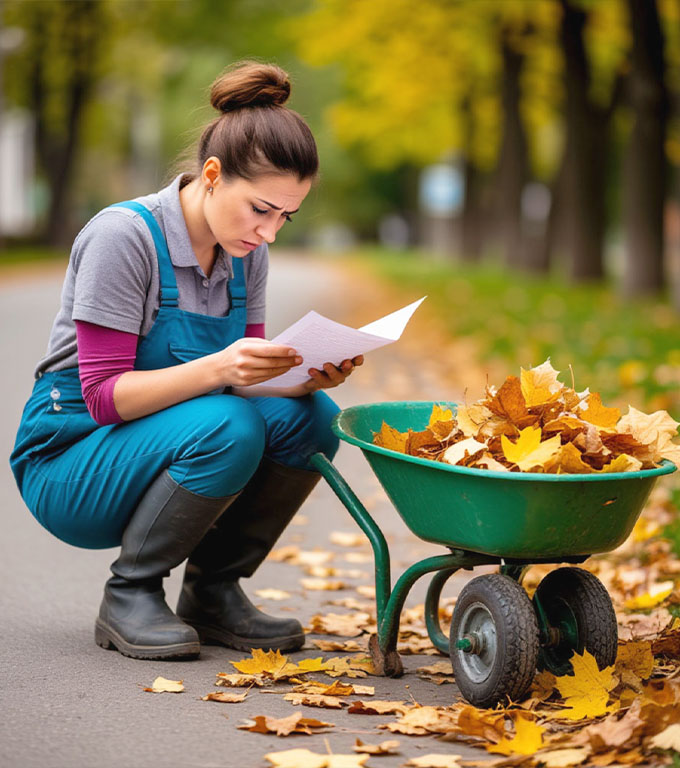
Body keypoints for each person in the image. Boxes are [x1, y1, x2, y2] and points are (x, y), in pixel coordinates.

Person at [9, 61, 363, 661]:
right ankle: (131, 593)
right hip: (70, 459)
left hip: (162, 438)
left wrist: (299, 378)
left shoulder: (245, 253)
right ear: (213, 175)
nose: (270, 233)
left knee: (313, 420)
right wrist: (223, 368)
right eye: (261, 209)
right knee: (230, 423)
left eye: (286, 216)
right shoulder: (124, 237)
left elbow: (242, 378)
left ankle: (213, 591)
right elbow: (104, 398)